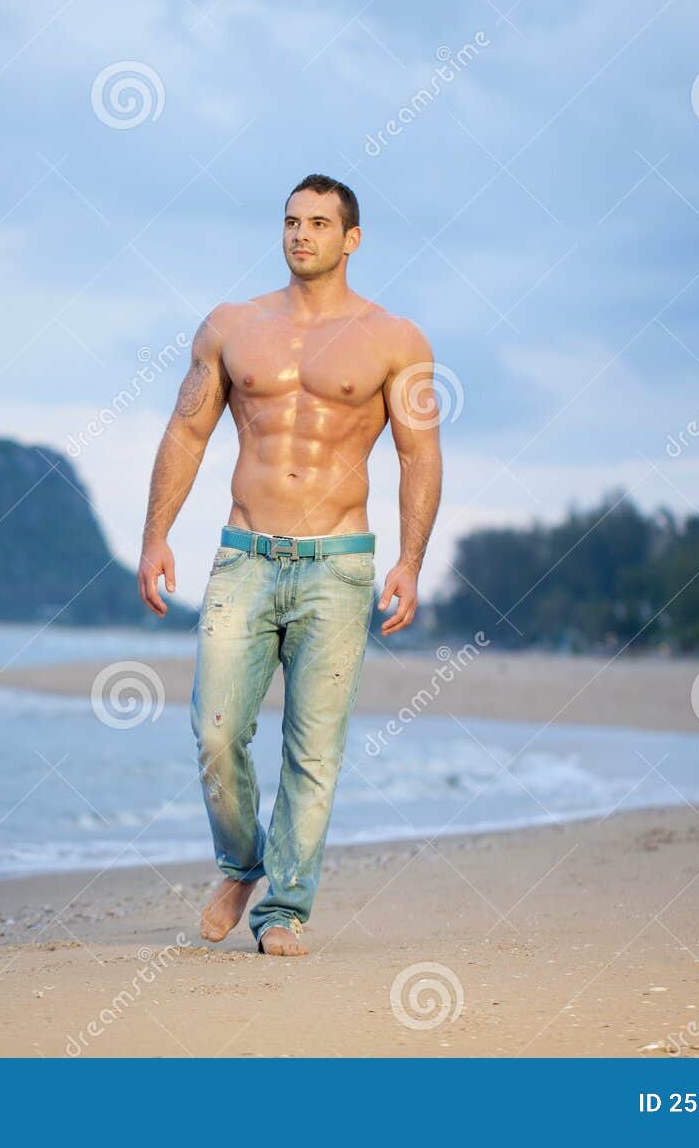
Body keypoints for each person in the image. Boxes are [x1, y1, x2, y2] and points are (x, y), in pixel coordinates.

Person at [138, 173, 443, 955]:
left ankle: (285, 909)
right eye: (290, 221)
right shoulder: (232, 327)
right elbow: (187, 432)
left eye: (317, 222)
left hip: (339, 565)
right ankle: (242, 865)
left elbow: (419, 452)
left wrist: (410, 560)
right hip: (243, 555)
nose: (300, 234)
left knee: (313, 750)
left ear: (352, 239)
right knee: (214, 731)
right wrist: (156, 535)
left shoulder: (395, 339)